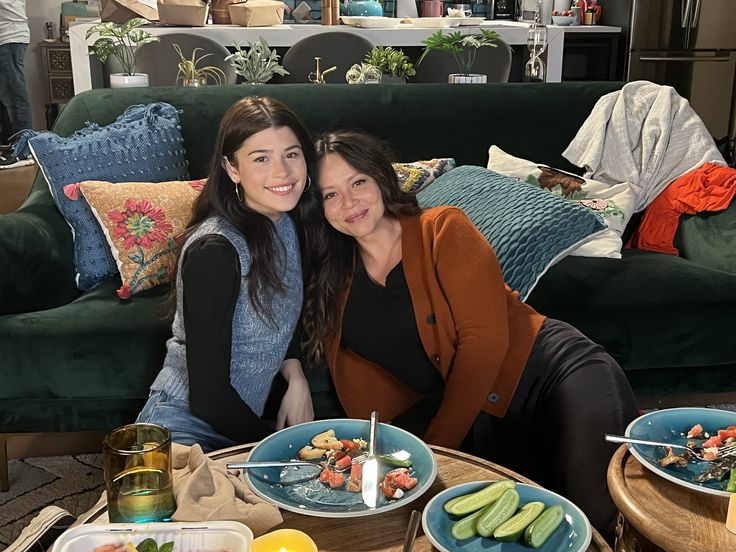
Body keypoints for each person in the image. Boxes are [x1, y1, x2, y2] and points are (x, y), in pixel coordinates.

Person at [302, 130, 640, 542]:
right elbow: (283, 316)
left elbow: (484, 346)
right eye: (330, 194)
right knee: (483, 532)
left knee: (592, 516)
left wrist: (437, 453)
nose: (349, 202)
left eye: (358, 182)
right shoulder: (329, 274)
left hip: (554, 373)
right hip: (483, 415)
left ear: (380, 179)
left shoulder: (442, 228)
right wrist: (294, 375)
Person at [137, 96, 322, 452]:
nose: (282, 172)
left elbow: (282, 310)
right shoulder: (216, 251)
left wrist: (294, 374)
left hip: (234, 424)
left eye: (291, 154)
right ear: (232, 168)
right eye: (261, 158)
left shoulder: (284, 221)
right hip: (184, 425)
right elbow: (207, 397)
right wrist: (277, 451)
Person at [0, 0, 34, 169]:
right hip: (8, 35)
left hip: (9, 36)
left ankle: (23, 150)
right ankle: (13, 146)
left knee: (14, 95)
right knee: (7, 97)